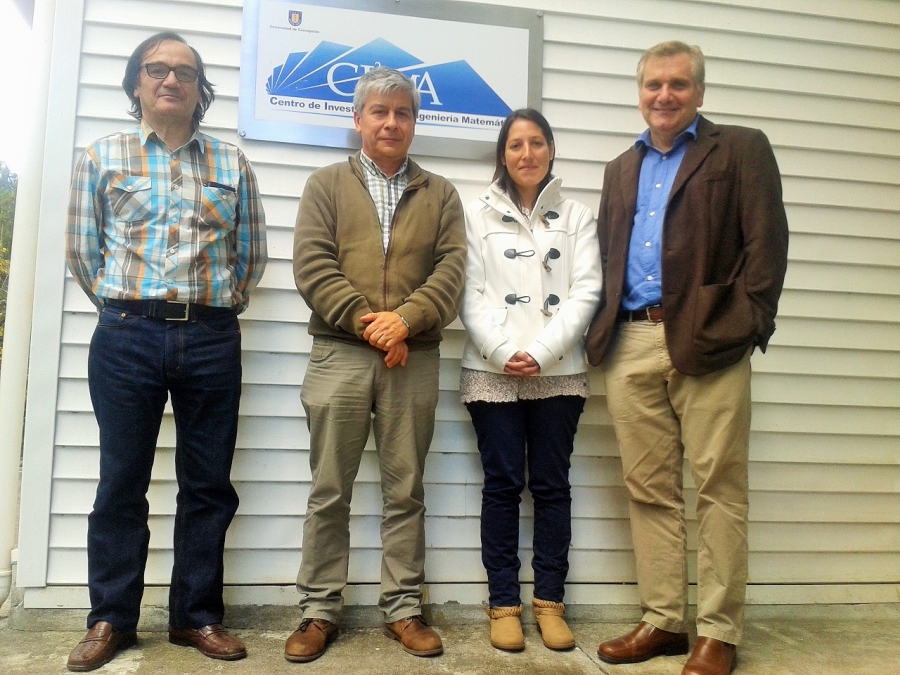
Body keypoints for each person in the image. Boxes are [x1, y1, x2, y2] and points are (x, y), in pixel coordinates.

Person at [64, 31, 267, 672]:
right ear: (136, 85)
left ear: (200, 90)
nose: (170, 80)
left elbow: (252, 258)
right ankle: (110, 618)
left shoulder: (232, 165)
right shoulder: (102, 157)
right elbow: (83, 254)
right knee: (121, 481)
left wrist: (215, 309)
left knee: (206, 485)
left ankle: (197, 617)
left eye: (184, 71)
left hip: (210, 336)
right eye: (157, 69)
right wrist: (126, 310)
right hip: (127, 336)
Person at [585, 41, 789, 675]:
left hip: (710, 339)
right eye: (653, 85)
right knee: (649, 490)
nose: (664, 95)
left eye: (677, 84)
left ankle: (719, 631)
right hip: (631, 342)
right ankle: (663, 620)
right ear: (639, 92)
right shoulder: (621, 167)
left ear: (699, 92)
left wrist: (747, 320)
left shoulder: (741, 149)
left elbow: (767, 242)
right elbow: (609, 254)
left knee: (720, 489)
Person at [287, 67, 466, 663]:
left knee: (405, 489)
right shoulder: (325, 185)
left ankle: (404, 609)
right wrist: (371, 323)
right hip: (339, 351)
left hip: (412, 357)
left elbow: (451, 271)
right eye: (380, 112)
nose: (392, 122)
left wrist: (405, 323)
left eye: (403, 113)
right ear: (358, 118)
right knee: (329, 489)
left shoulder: (440, 194)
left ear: (415, 122)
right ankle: (317, 611)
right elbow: (313, 267)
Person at [459, 109, 601, 652]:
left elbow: (587, 291)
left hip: (558, 372)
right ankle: (503, 605)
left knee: (551, 487)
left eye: (536, 142)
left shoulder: (578, 215)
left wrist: (541, 351)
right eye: (515, 144)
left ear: (550, 150)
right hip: (490, 372)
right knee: (500, 486)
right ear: (502, 153)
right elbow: (467, 290)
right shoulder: (475, 215)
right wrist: (501, 350)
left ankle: (549, 602)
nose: (526, 153)